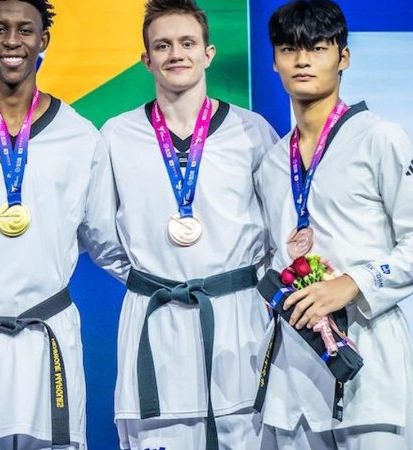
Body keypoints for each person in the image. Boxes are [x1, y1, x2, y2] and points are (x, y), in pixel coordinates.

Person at [0, 1, 129, 449]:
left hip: (46, 338)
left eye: (24, 30)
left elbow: (106, 242)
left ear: (43, 41)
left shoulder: (80, 136)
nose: (12, 41)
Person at [254, 1, 413, 448]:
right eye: (289, 49)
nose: (302, 60)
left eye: (318, 48)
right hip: (295, 375)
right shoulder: (271, 160)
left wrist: (352, 283)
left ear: (343, 57)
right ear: (275, 60)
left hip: (371, 365)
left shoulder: (381, 137)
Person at [100, 1, 279, 448]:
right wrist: (151, 280)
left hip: (239, 324)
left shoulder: (251, 131)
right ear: (146, 59)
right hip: (155, 319)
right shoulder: (116, 136)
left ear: (208, 53)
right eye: (162, 45)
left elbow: (280, 230)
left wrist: (243, 286)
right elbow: (100, 234)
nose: (175, 53)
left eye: (187, 43)